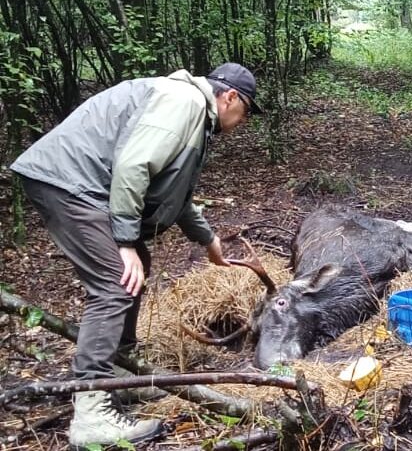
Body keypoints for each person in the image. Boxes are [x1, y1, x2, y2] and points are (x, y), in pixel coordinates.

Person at [11, 62, 262, 448]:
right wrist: (124, 241)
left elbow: (175, 196)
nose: (242, 122)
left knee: (136, 266)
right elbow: (133, 166)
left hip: (79, 186)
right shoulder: (184, 101)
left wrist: (209, 241)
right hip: (70, 184)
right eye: (245, 111)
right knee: (115, 282)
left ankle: (118, 376)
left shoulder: (192, 111)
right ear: (229, 97)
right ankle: (92, 410)